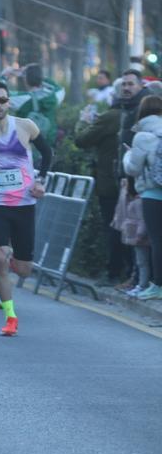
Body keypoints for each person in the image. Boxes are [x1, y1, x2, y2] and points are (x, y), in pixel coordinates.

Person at [0, 80, 51, 335]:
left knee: (24, 270)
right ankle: (10, 316)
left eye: (2, 100)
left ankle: (12, 258)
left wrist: (40, 180)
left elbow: (47, 153)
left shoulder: (25, 126)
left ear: (9, 102)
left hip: (24, 204)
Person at [74, 91, 129, 286]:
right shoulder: (135, 115)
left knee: (113, 227)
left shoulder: (111, 117)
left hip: (110, 183)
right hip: (131, 182)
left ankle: (114, 272)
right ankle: (131, 274)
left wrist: (83, 122)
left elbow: (81, 140)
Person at [122, 94, 162, 301]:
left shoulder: (142, 136)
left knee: (157, 240)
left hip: (153, 194)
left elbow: (133, 169)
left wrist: (128, 155)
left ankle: (157, 286)